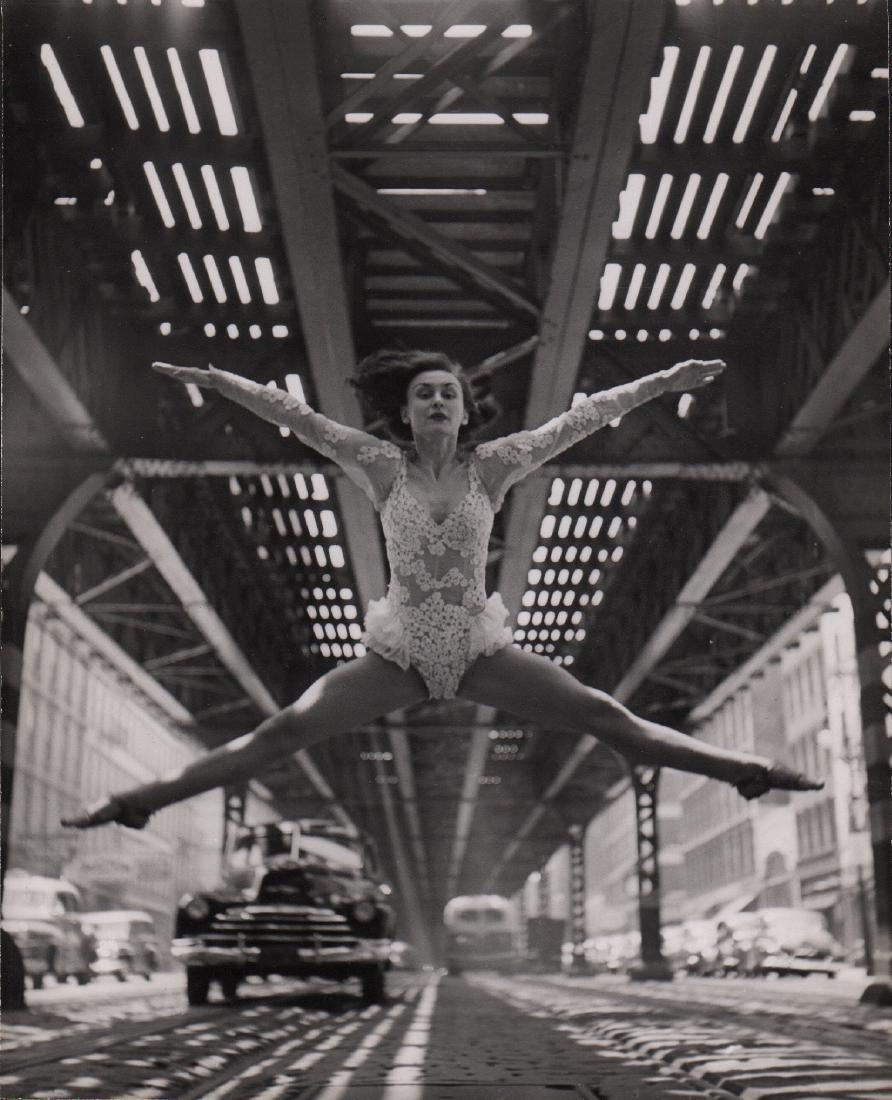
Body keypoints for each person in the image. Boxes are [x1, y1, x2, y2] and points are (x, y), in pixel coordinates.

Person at [62, 350, 821, 830]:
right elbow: (296, 417)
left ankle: (747, 773)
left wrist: (664, 382)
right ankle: (136, 803)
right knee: (281, 733)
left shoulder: (495, 465)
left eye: (447, 395)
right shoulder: (378, 464)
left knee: (603, 716)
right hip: (397, 656)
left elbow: (583, 419)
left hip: (477, 649)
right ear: (404, 411)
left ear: (463, 411)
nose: (435, 402)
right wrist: (217, 382)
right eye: (423, 394)